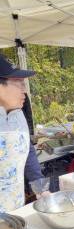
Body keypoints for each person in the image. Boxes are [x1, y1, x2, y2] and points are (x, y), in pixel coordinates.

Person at [0, 54, 44, 213]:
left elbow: (26, 149)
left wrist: (39, 188)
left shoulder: (18, 114)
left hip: (15, 210)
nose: (24, 91)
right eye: (18, 83)